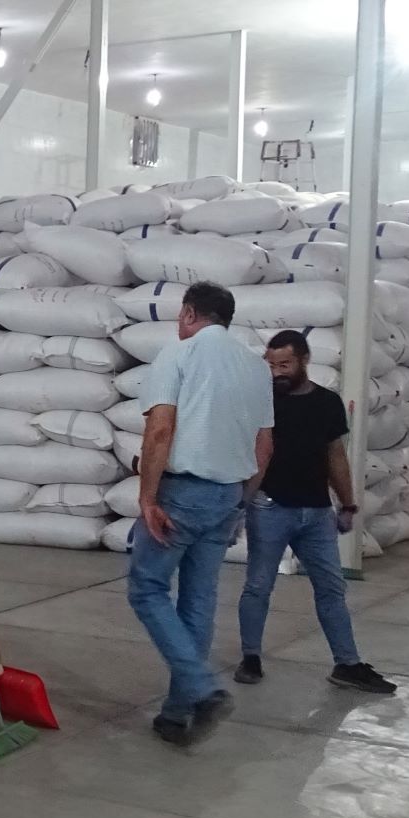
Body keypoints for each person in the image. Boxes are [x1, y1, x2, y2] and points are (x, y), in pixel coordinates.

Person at [128, 281, 274, 746]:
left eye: (179, 315)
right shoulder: (255, 366)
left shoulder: (180, 353)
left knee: (147, 589)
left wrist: (148, 498)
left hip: (182, 495)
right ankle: (176, 715)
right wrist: (240, 502)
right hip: (227, 495)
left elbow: (159, 430)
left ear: (190, 314)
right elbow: (264, 446)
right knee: (198, 601)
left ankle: (202, 687)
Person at [234, 330, 396, 694]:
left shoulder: (326, 403)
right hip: (270, 508)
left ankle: (347, 663)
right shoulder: (261, 402)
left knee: (331, 588)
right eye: (271, 364)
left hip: (317, 513)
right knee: (258, 586)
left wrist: (348, 502)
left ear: (304, 361)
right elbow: (250, 455)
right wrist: (239, 505)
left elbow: (335, 455)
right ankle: (251, 657)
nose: (277, 372)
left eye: (285, 364)